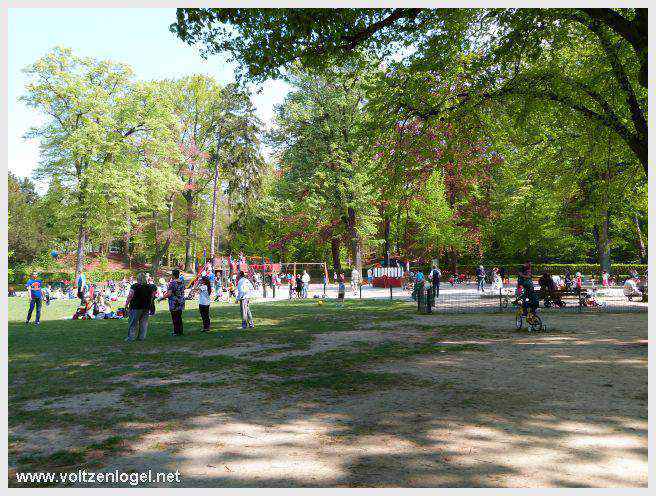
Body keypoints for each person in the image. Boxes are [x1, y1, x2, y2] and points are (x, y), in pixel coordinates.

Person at [124, 272, 157, 342]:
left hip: (136, 307)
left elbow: (130, 296)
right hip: (146, 307)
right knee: (144, 323)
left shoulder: (134, 286)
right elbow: (152, 297)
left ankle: (131, 337)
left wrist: (126, 305)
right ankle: (142, 337)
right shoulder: (150, 287)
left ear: (138, 279)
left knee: (133, 322)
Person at [160, 269, 186, 336]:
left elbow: (169, 294)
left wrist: (162, 298)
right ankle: (180, 331)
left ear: (173, 275)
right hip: (181, 301)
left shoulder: (172, 283)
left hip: (174, 302)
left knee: (175, 317)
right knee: (179, 317)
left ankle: (176, 332)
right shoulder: (182, 282)